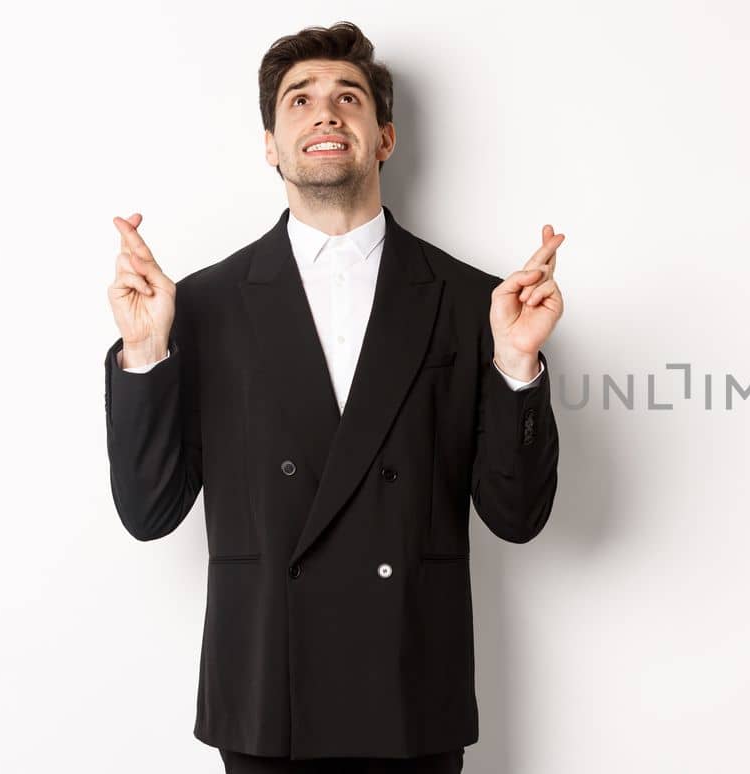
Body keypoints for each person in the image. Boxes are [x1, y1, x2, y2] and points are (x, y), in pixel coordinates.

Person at [102, 21, 564, 773]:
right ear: (270, 142)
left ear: (383, 138)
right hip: (267, 698)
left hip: (412, 691)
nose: (324, 113)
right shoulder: (203, 305)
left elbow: (517, 519)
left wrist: (515, 363)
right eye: (300, 100)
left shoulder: (476, 302)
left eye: (347, 98)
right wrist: (147, 350)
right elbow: (148, 513)